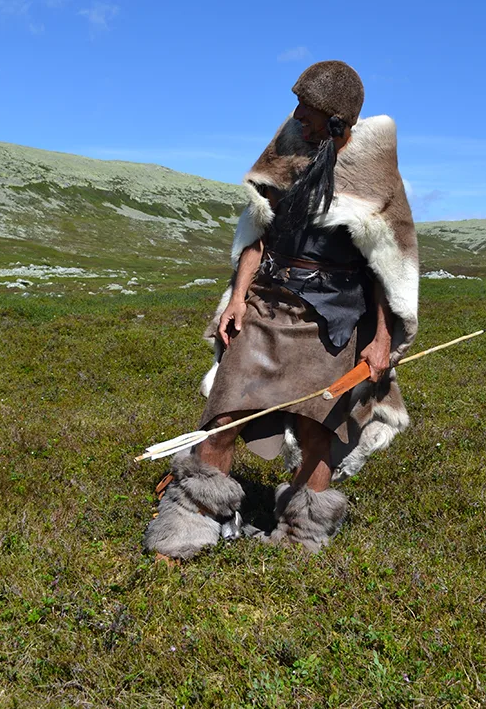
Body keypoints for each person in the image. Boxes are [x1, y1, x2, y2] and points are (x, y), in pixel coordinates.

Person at [144, 61, 419, 559]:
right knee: (224, 412)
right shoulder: (287, 147)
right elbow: (258, 231)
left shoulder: (376, 173)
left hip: (334, 319)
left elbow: (384, 265)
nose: (296, 116)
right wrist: (237, 297)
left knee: (320, 427)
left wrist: (381, 338)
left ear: (338, 121)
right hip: (268, 304)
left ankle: (300, 535)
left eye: (308, 112)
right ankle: (192, 521)